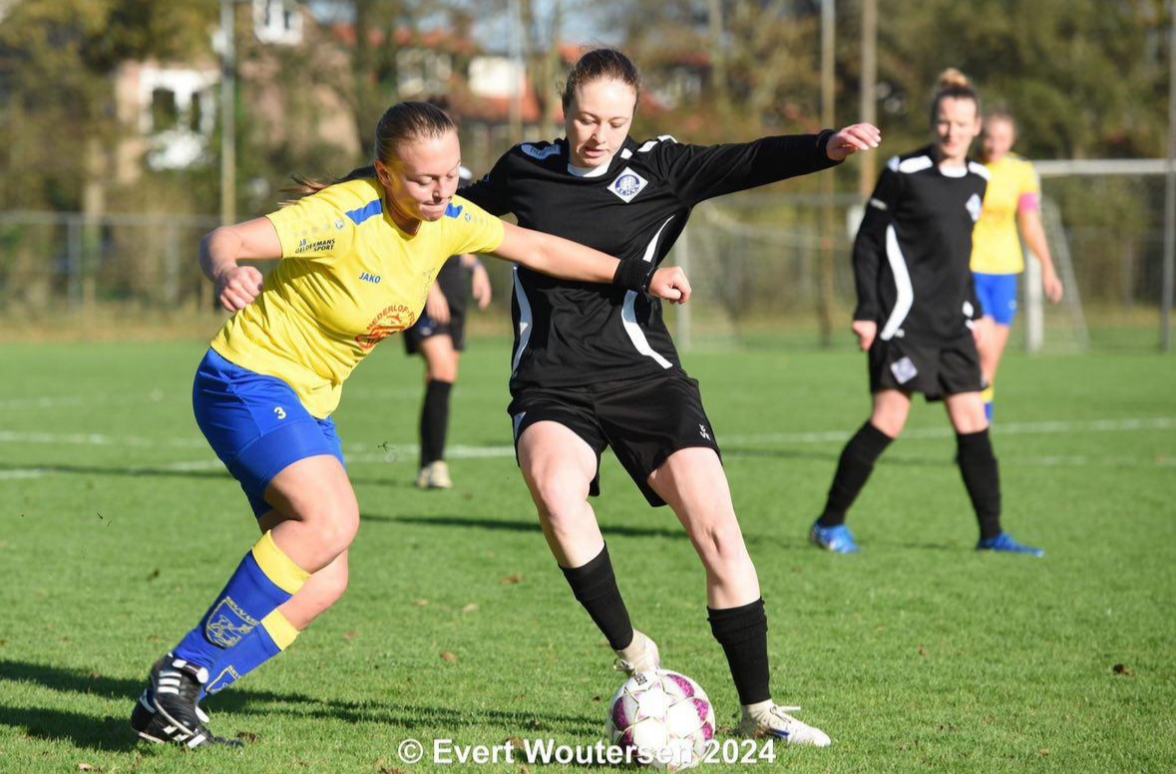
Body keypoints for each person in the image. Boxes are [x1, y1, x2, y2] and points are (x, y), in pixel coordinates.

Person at [129, 100, 691, 748]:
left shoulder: (447, 217)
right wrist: (227, 272)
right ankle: (181, 670)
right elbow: (224, 240)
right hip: (245, 380)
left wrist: (639, 275)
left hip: (306, 401)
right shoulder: (341, 214)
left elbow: (533, 246)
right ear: (385, 173)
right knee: (331, 521)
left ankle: (173, 703)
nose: (444, 190)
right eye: (426, 179)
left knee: (325, 579)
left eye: (452, 174)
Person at [460, 48, 879, 747]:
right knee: (556, 494)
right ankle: (636, 656)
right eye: (586, 119)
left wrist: (823, 148)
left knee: (718, 529)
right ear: (564, 110)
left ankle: (760, 710)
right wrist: (362, 192)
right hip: (552, 379)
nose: (598, 135)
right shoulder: (524, 168)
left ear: (634, 119)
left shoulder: (661, 168)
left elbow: (746, 160)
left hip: (646, 377)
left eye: (615, 122)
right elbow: (444, 201)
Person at [808, 69, 1044, 558]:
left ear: (976, 126)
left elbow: (957, 256)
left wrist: (975, 312)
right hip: (903, 324)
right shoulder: (903, 173)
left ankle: (992, 534)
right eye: (943, 122)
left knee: (973, 421)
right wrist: (868, 311)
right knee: (889, 420)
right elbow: (868, 242)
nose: (951, 131)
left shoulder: (980, 180)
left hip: (953, 327)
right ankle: (829, 523)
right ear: (933, 122)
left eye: (961, 123)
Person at [403, 166, 492, 490]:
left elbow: (457, 241)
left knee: (444, 376)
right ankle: (434, 464)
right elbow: (414, 241)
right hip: (425, 293)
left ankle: (429, 463)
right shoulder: (420, 184)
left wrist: (478, 268)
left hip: (455, 296)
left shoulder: (462, 183)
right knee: (442, 370)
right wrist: (430, 289)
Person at [971, 110, 1064, 421]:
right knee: (982, 345)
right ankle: (975, 421)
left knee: (992, 358)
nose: (993, 144)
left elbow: (1031, 223)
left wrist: (1048, 267)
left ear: (1011, 141)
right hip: (970, 269)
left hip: (1006, 272)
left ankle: (979, 422)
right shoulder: (969, 168)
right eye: (988, 137)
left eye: (1001, 138)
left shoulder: (1022, 172)